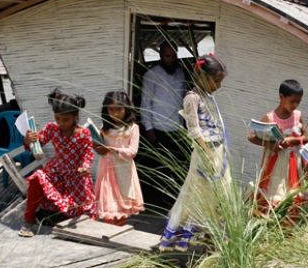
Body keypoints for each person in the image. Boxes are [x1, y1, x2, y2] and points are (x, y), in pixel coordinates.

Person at [159, 54, 230, 252]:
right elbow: (194, 130)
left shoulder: (209, 97)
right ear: (202, 77)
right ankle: (189, 234)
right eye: (216, 81)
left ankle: (211, 234)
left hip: (217, 153)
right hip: (204, 153)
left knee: (219, 194)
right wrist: (206, 153)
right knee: (199, 192)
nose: (219, 85)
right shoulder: (192, 98)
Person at [20, 89, 96, 237]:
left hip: (76, 175)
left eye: (65, 119)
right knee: (36, 179)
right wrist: (29, 139)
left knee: (80, 209)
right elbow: (37, 143)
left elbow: (87, 155)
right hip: (56, 170)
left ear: (76, 116)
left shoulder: (83, 133)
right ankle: (28, 220)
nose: (61, 123)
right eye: (57, 118)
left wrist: (85, 167)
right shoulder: (51, 128)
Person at [249, 79, 308, 222]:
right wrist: (269, 145)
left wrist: (292, 141)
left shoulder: (297, 115)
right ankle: (264, 226)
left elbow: (306, 138)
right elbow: (251, 136)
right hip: (273, 165)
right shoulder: (270, 117)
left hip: (292, 165)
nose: (295, 105)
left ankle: (287, 229)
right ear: (281, 97)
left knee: (292, 196)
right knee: (271, 194)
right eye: (292, 101)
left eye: (298, 102)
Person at [138, 42, 189, 211]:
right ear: (161, 55)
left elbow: (183, 100)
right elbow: (145, 103)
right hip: (159, 129)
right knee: (161, 167)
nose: (171, 59)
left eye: (174, 56)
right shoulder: (151, 75)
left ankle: (173, 200)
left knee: (177, 166)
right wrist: (148, 127)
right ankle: (158, 202)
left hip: (177, 127)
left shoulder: (181, 73)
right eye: (168, 56)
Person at [94, 90, 144, 226]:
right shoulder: (104, 128)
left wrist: (111, 149)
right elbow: (101, 150)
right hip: (106, 173)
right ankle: (108, 235)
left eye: (119, 109)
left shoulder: (132, 128)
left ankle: (119, 233)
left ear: (126, 109)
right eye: (111, 109)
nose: (115, 114)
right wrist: (96, 146)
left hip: (123, 173)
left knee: (121, 207)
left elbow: (132, 152)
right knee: (108, 208)